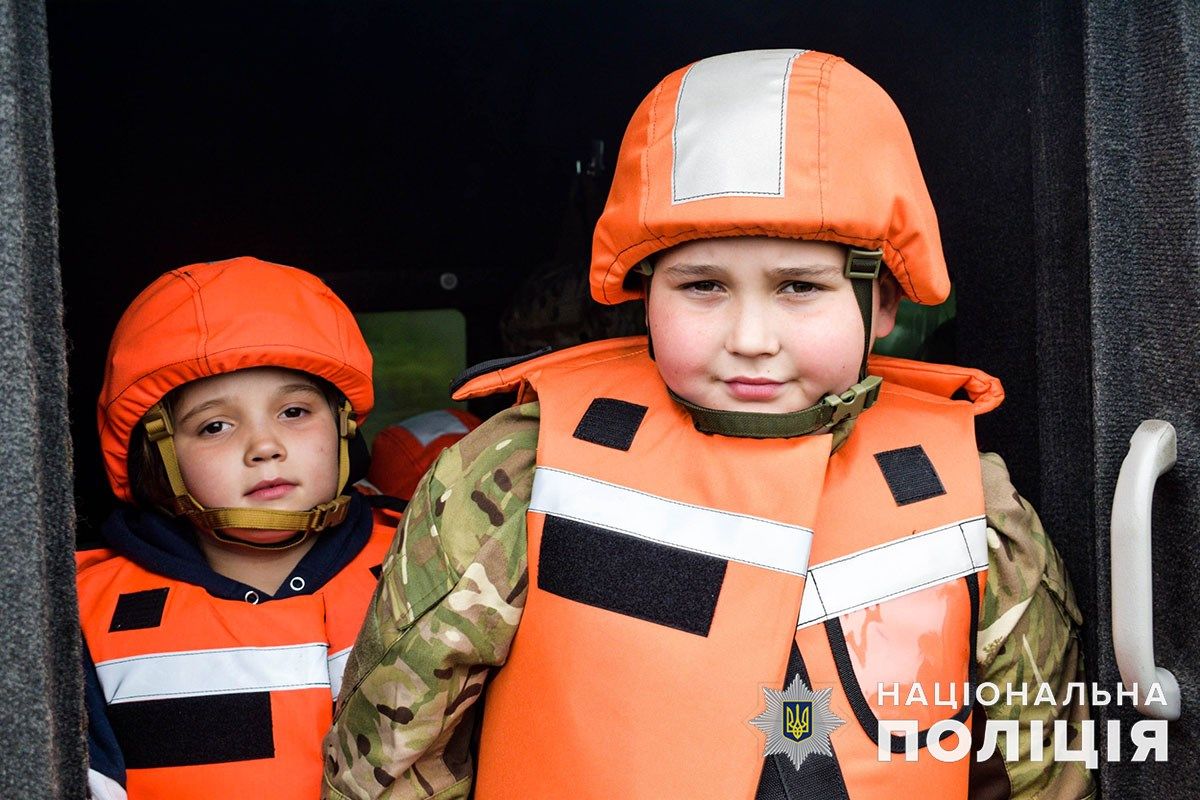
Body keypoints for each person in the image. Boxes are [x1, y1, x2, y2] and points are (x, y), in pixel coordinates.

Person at [324, 50, 1093, 800]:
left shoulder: (972, 504)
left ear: (883, 301)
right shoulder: (518, 472)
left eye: (799, 285)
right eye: (703, 286)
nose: (750, 336)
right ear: (644, 292)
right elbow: (393, 760)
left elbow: (1042, 762)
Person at [78, 257, 398, 800]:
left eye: (294, 412)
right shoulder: (84, 611)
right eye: (215, 426)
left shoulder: (434, 556)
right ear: (159, 459)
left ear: (343, 425)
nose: (264, 446)